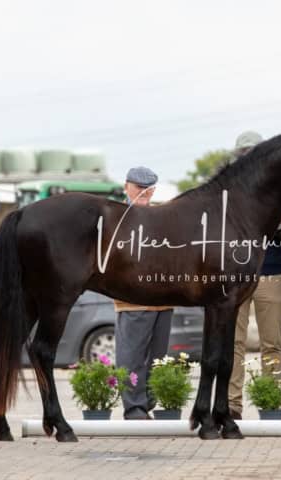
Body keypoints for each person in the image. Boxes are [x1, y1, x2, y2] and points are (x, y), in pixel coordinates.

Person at [228, 131, 281, 420]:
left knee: (271, 343)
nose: (248, 157)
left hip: (271, 273)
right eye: (243, 153)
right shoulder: (231, 189)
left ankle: (270, 402)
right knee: (232, 343)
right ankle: (231, 404)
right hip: (236, 276)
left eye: (253, 152)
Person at [114, 166, 174, 420]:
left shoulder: (162, 215)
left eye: (149, 189)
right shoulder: (117, 216)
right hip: (133, 300)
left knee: (158, 357)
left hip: (162, 300)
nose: (144, 193)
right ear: (126, 186)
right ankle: (133, 408)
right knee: (132, 356)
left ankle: (148, 402)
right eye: (139, 188)